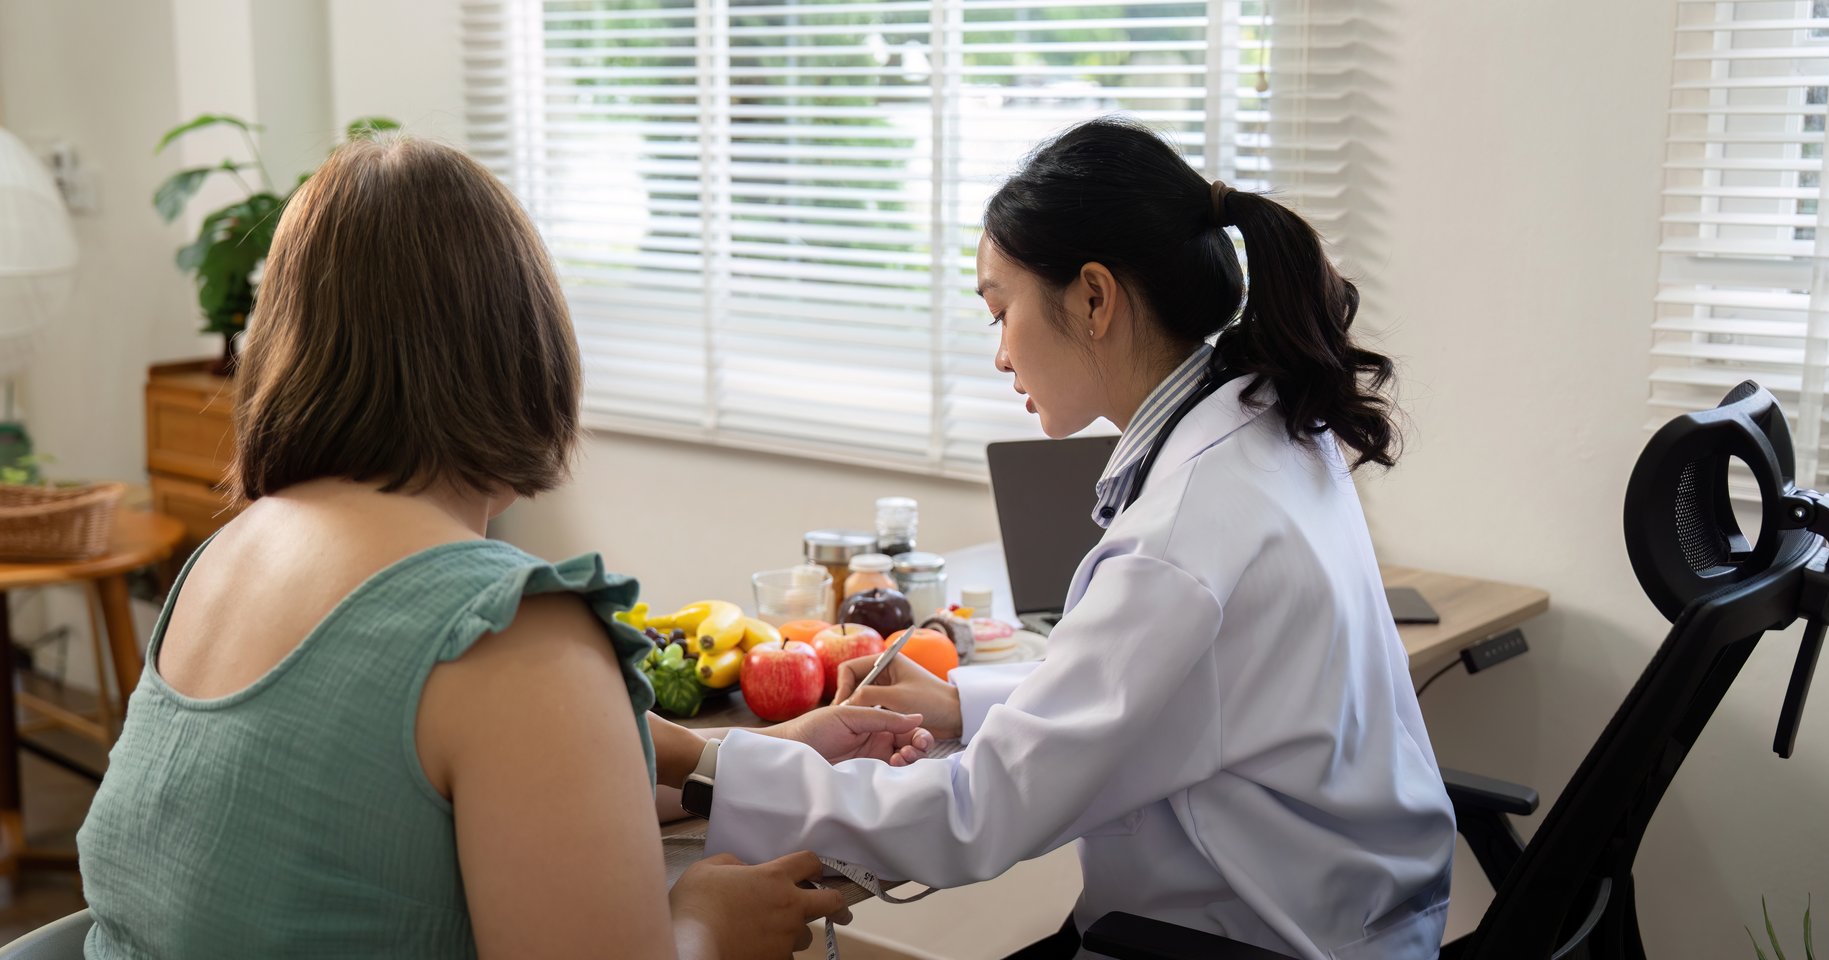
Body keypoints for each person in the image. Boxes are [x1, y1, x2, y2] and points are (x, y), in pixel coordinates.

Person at [76, 133, 931, 960]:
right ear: (521, 352)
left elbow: (458, 806)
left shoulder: (225, 557)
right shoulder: (508, 626)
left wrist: (742, 759)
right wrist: (703, 930)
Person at [690, 119, 1456, 960]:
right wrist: (963, 702)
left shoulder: (1181, 535)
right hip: (1355, 917)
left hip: (1251, 940)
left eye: (1000, 310)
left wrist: (704, 767)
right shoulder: (1270, 427)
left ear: (1094, 298)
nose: (999, 356)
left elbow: (974, 816)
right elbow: (1167, 683)